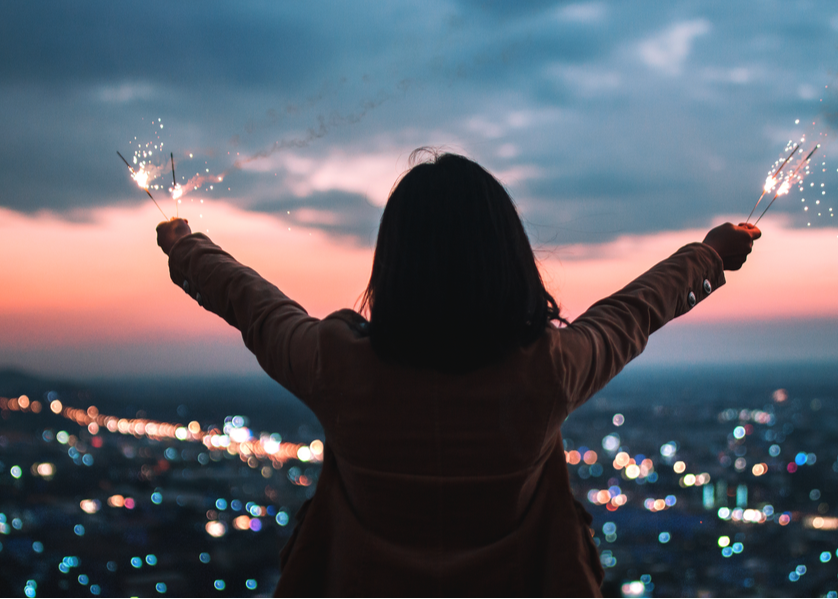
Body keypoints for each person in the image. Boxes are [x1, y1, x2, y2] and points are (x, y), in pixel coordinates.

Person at [156, 152, 760, 596]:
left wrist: (185, 247)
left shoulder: (336, 366)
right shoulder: (545, 374)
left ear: (391, 264)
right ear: (511, 259)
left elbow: (253, 305)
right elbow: (631, 314)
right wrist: (710, 256)